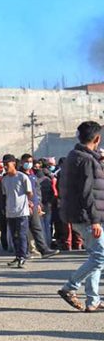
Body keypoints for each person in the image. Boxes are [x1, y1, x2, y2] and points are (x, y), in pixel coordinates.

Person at [58, 121, 104, 312]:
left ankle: (93, 300)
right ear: (97, 138)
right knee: (100, 256)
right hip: (87, 217)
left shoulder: (74, 156)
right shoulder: (85, 160)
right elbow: (87, 193)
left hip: (79, 215)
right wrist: (94, 220)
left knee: (96, 256)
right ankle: (70, 287)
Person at [19, 153, 59, 259]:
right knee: (24, 230)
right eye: (27, 162)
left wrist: (38, 204)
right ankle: (24, 252)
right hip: (24, 206)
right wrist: (27, 202)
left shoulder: (33, 176)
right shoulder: (19, 175)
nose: (29, 164)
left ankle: (44, 250)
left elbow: (37, 191)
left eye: (30, 161)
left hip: (35, 206)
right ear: (22, 162)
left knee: (37, 228)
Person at [2, 154, 33, 268]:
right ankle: (17, 256)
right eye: (4, 164)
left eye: (7, 164)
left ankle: (23, 256)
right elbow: (5, 195)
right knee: (14, 236)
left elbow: (30, 193)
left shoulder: (22, 177)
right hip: (10, 212)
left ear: (14, 163)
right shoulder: (4, 179)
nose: (5, 166)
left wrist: (30, 203)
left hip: (22, 211)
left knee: (21, 235)